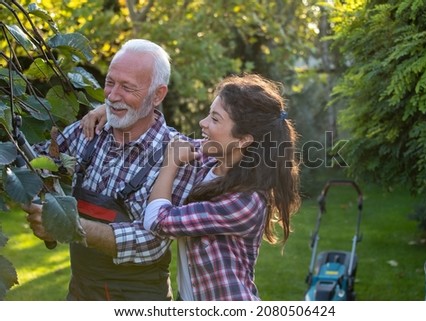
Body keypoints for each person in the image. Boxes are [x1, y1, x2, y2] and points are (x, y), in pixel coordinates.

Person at [23, 39, 198, 300]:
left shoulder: (176, 155)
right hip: (80, 292)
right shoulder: (87, 131)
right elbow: (31, 163)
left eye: (127, 87)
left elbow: (150, 242)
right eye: (110, 82)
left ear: (158, 94)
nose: (113, 96)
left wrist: (66, 226)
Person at [143, 74, 301, 300]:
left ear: (244, 140)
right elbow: (167, 140)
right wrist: (110, 113)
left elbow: (156, 221)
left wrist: (171, 163)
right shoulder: (211, 161)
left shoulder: (244, 201)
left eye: (215, 119)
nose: (203, 123)